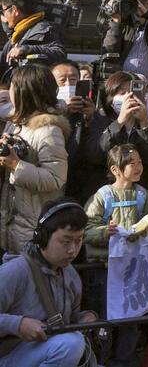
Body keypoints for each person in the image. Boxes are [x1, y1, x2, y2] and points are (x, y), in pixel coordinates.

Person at [0, 200, 96, 367]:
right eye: (65, 241)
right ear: (42, 237)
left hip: (40, 353)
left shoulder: (71, 275)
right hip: (8, 356)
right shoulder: (15, 271)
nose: (72, 250)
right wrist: (18, 324)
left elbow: (71, 320)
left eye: (78, 241)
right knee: (71, 344)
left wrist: (85, 318)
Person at [84, 144, 148, 367]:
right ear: (115, 169)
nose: (138, 167)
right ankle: (102, 360)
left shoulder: (143, 196)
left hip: (133, 268)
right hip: (104, 268)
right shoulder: (103, 196)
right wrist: (105, 232)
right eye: (131, 163)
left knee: (131, 318)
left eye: (140, 162)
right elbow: (86, 229)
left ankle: (124, 361)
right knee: (105, 318)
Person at [0, 64, 70, 257]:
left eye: (13, 86)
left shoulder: (48, 131)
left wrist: (16, 165)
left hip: (33, 227)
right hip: (13, 224)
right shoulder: (17, 124)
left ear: (25, 91)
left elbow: (56, 179)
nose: (10, 91)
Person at [98, 71, 148, 196]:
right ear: (110, 99)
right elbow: (97, 153)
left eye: (133, 93)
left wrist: (144, 123)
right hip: (110, 193)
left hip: (144, 193)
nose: (129, 98)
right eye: (122, 93)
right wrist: (119, 122)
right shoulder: (101, 122)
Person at [51, 60, 108, 205]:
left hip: (86, 187)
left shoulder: (96, 115)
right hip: (57, 184)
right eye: (62, 80)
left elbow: (98, 152)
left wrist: (91, 118)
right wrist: (64, 113)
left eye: (73, 79)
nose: (68, 85)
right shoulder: (46, 115)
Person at [0, 0, 65, 78]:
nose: (4, 16)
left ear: (14, 10)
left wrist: (26, 49)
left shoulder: (44, 29)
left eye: (3, 11)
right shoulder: (17, 35)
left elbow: (60, 53)